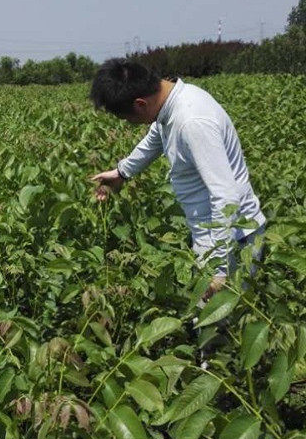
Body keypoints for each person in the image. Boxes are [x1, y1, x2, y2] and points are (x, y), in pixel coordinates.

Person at [89, 59, 265, 300]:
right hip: (216, 233)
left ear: (140, 104)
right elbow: (156, 138)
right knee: (213, 322)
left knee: (220, 325)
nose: (130, 124)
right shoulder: (174, 102)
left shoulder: (192, 122)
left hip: (232, 240)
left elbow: (226, 195)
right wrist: (122, 172)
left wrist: (221, 269)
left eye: (128, 118)